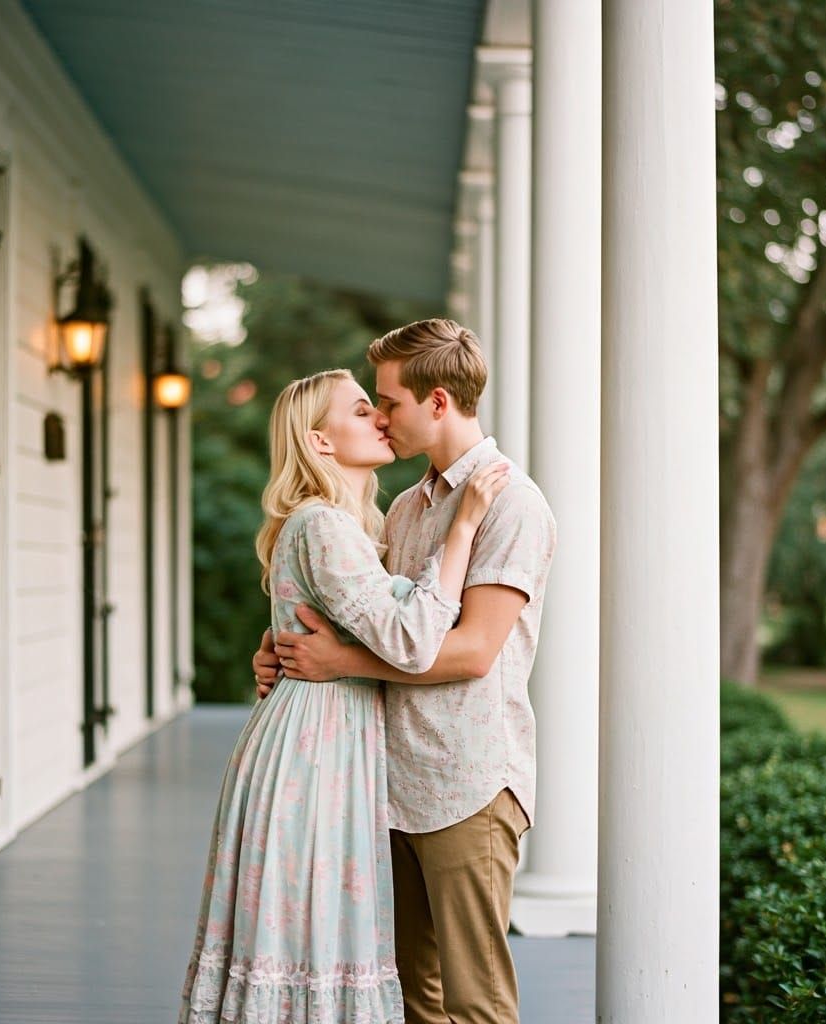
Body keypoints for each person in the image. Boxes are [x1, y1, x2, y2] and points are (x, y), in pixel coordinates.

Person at [178, 368, 509, 1024]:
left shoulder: (349, 526)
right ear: (320, 441)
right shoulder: (323, 524)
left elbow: (328, 618)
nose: (382, 419)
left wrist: (279, 646)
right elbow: (411, 636)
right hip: (314, 754)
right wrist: (464, 528)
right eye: (363, 410)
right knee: (309, 936)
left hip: (324, 740)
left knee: (313, 939)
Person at [254, 320, 557, 1024]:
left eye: (387, 402)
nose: (380, 416)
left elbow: (473, 652)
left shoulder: (512, 504)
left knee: (475, 1002)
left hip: (467, 782)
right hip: (391, 781)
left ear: (439, 402)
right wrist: (285, 645)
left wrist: (337, 664)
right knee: (413, 996)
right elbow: (385, 622)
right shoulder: (403, 506)